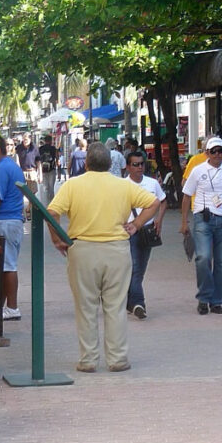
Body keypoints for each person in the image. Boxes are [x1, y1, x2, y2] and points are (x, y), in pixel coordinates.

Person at [47, 143, 158, 373]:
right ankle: (117, 359)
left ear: (86, 163)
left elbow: (51, 211)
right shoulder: (122, 185)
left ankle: (88, 360)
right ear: (110, 164)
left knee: (86, 307)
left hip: (82, 250)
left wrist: (58, 238)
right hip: (117, 250)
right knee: (115, 306)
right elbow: (153, 203)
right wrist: (136, 224)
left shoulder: (72, 185)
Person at [180, 136, 222, 315]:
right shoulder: (197, 170)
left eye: (221, 151)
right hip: (203, 218)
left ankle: (217, 301)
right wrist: (184, 221)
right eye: (214, 151)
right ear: (207, 153)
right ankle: (203, 297)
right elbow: (187, 195)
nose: (217, 154)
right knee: (203, 257)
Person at [0, 135, 27, 321]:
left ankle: (12, 307)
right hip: (10, 221)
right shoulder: (10, 167)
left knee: (8, 265)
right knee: (3, 266)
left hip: (6, 221)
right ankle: (1, 306)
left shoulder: (2, 170)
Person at [124, 149, 167, 319]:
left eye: (142, 164)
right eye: (135, 165)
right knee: (134, 268)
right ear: (128, 167)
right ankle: (139, 303)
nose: (140, 168)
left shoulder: (152, 183)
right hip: (129, 231)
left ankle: (130, 301)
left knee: (140, 269)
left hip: (147, 231)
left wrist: (159, 220)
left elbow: (163, 202)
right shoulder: (122, 185)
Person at [16, 133, 40, 217]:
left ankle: (28, 208)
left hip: (32, 172)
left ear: (30, 139)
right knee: (20, 192)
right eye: (24, 139)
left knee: (32, 193)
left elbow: (38, 161)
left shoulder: (34, 148)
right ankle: (21, 211)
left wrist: (40, 174)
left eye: (26, 139)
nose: (25, 141)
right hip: (22, 171)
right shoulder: (18, 148)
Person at [38, 134, 59, 204]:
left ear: (44, 141)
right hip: (52, 170)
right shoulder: (54, 149)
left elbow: (38, 160)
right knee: (51, 187)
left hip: (43, 170)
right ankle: (51, 202)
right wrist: (58, 171)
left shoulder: (40, 149)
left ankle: (45, 202)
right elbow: (57, 160)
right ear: (51, 141)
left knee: (45, 187)